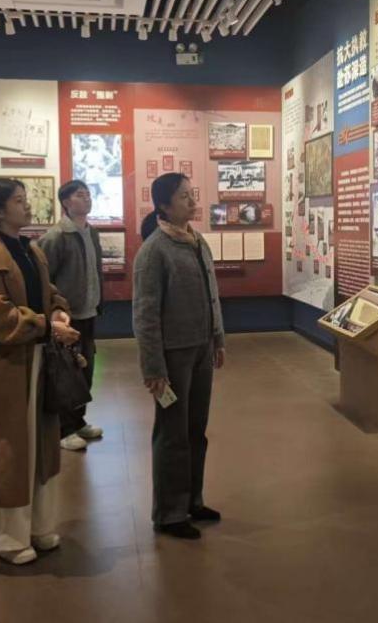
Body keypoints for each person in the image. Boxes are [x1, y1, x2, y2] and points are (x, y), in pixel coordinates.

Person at [0, 178, 80, 565]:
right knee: (10, 449)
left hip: (39, 359)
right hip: (6, 366)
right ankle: (9, 538)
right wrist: (47, 326)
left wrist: (59, 311)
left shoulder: (31, 249)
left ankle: (40, 526)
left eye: (25, 199)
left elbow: (49, 293)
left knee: (40, 445)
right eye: (19, 200)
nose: (27, 206)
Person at [133, 173, 226, 540]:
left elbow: (212, 294)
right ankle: (169, 513)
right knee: (172, 433)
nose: (192, 201)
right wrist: (153, 367)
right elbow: (145, 315)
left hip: (201, 349)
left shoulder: (197, 241)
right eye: (184, 196)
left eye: (192, 193)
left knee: (195, 430)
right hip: (172, 356)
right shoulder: (154, 251)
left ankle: (192, 500)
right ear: (163, 204)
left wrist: (217, 338)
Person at [37, 180, 105, 452]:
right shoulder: (56, 237)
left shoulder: (92, 233)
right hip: (67, 317)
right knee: (66, 374)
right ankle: (63, 429)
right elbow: (44, 280)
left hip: (89, 312)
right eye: (80, 195)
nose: (87, 199)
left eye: (88, 194)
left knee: (85, 370)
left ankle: (78, 421)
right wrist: (55, 314)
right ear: (66, 202)